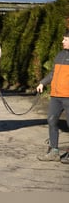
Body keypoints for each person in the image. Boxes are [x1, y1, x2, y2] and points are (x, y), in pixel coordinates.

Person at [36, 29, 69, 164]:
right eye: (63, 39)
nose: (63, 41)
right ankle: (54, 151)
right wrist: (42, 83)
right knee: (51, 120)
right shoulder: (60, 55)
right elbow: (53, 73)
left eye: (66, 39)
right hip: (56, 96)